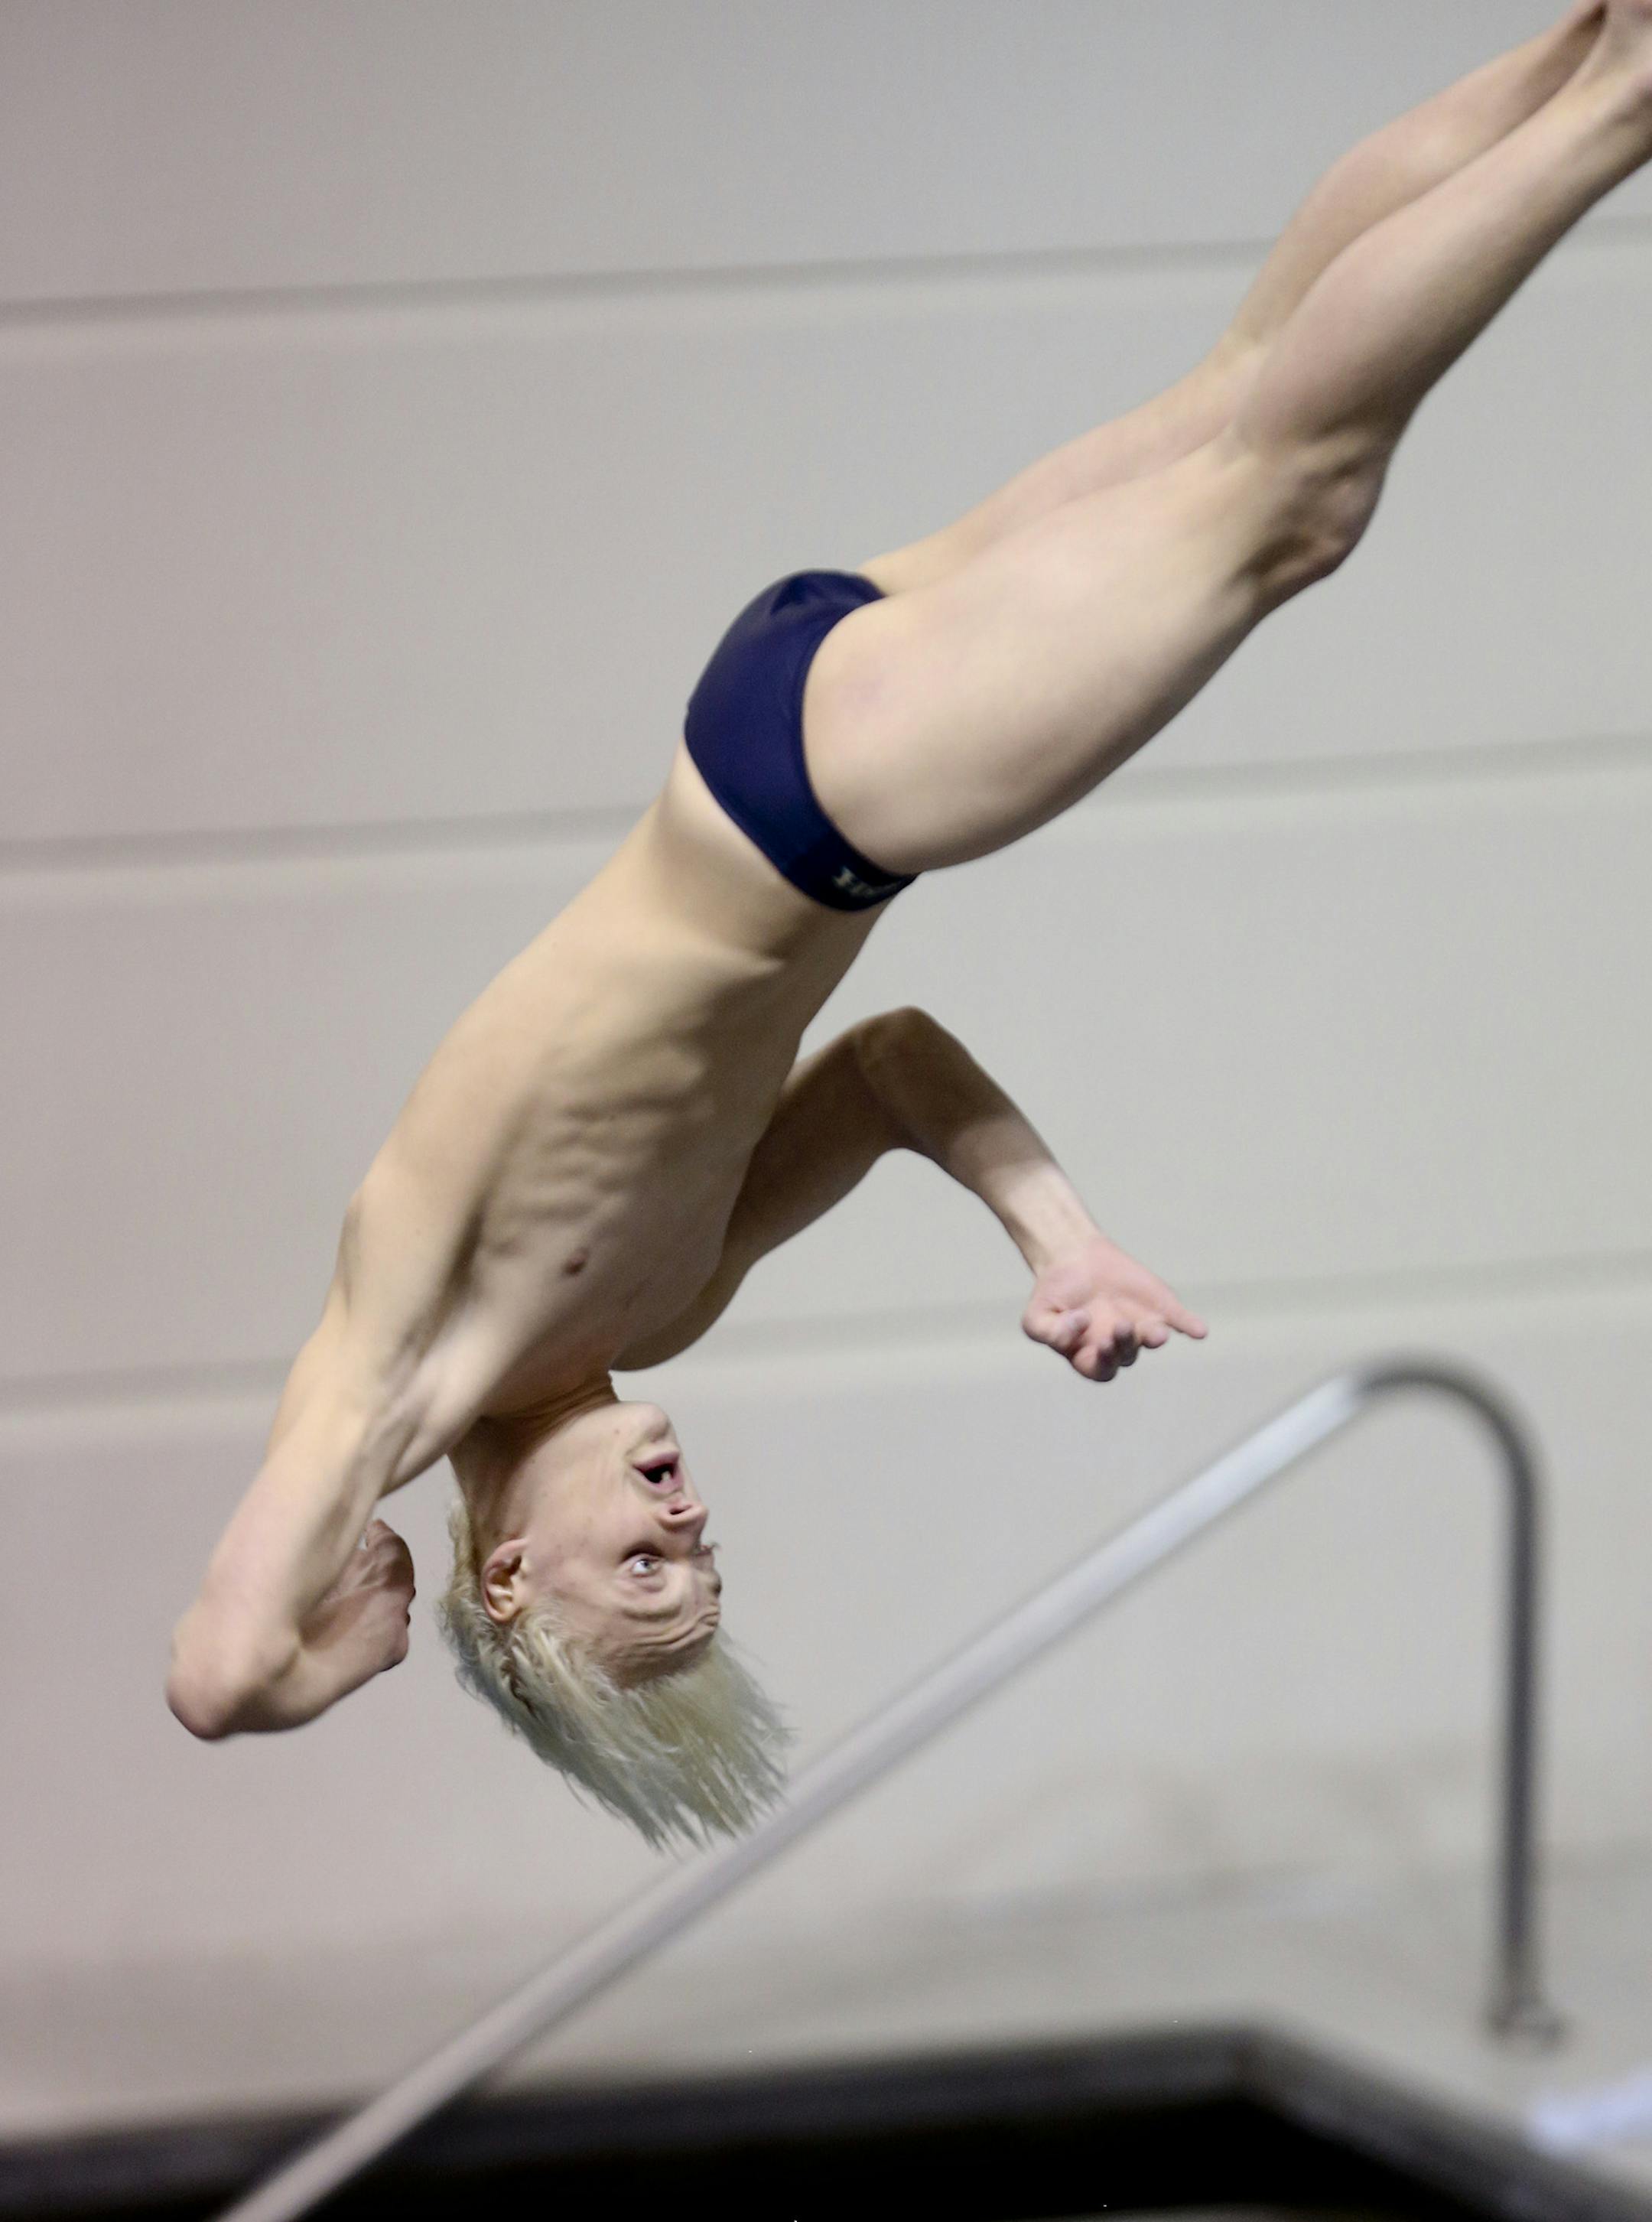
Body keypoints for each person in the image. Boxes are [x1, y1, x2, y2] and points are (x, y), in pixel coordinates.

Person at [170, 2, 1647, 1845]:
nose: (690, 1530)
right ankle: (1591, 50)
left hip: (814, 803)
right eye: (703, 1567)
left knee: (1295, 500)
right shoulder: (676, 1297)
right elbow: (881, 1070)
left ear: (506, 1581)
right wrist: (1060, 1240)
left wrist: (341, 1654)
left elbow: (218, 1673)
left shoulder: (404, 1363)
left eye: (641, 1577)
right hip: (787, 720)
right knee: (1235, 394)